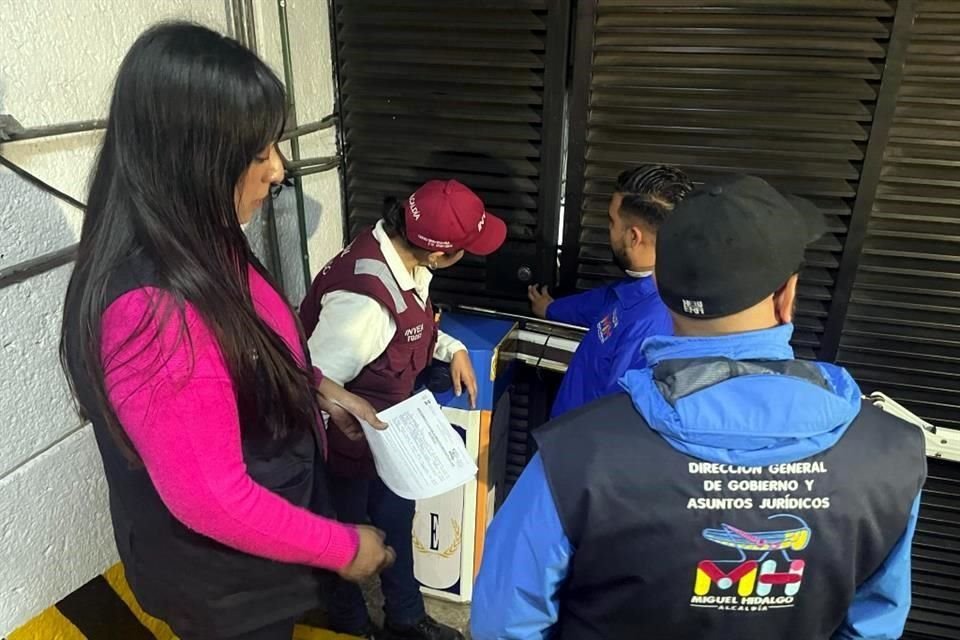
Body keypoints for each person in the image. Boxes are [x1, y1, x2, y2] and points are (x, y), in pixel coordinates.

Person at [471, 175, 927, 640]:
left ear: (663, 294)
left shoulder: (572, 456)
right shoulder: (892, 454)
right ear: (788, 297)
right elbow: (873, 624)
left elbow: (505, 622)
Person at [59, 23, 395, 640]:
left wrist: (319, 388)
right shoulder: (152, 313)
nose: (279, 168)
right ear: (192, 158)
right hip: (229, 591)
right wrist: (345, 546)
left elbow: (246, 345)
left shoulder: (204, 237)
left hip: (263, 562)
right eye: (259, 150)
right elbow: (211, 497)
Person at [299, 179, 507, 640]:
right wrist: (342, 417)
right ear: (440, 254)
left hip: (389, 441)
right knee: (346, 549)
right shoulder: (362, 305)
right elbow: (309, 379)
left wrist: (450, 347)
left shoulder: (399, 255)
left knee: (397, 524)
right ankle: (353, 629)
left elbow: (413, 322)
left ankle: (406, 621)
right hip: (344, 450)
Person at [528, 165, 692, 418]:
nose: (609, 230)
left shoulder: (654, 325)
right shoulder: (634, 287)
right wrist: (551, 309)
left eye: (612, 221)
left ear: (634, 237)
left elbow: (616, 418)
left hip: (580, 449)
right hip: (565, 436)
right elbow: (600, 302)